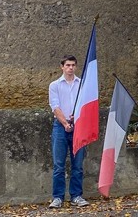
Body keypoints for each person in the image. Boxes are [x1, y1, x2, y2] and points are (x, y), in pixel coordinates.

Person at [47, 55, 89, 208]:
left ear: (76, 67)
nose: (70, 68)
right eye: (68, 65)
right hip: (60, 127)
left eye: (73, 65)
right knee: (59, 165)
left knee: (77, 164)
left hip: (79, 126)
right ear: (62, 67)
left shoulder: (82, 84)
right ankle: (58, 197)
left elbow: (85, 105)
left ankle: (76, 196)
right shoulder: (55, 85)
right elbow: (55, 106)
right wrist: (65, 122)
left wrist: (76, 116)